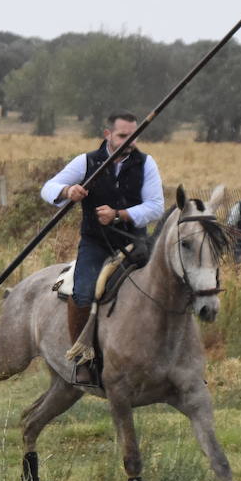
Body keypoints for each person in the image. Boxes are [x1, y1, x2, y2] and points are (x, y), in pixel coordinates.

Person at [41, 111, 165, 385]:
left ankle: (164, 354)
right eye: (123, 135)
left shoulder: (146, 163)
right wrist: (68, 192)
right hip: (96, 243)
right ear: (107, 135)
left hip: (135, 243)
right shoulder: (86, 162)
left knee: (166, 287)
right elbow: (48, 188)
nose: (129, 141)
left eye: (133, 136)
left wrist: (120, 214)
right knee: (83, 292)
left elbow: (156, 207)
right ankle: (83, 358)